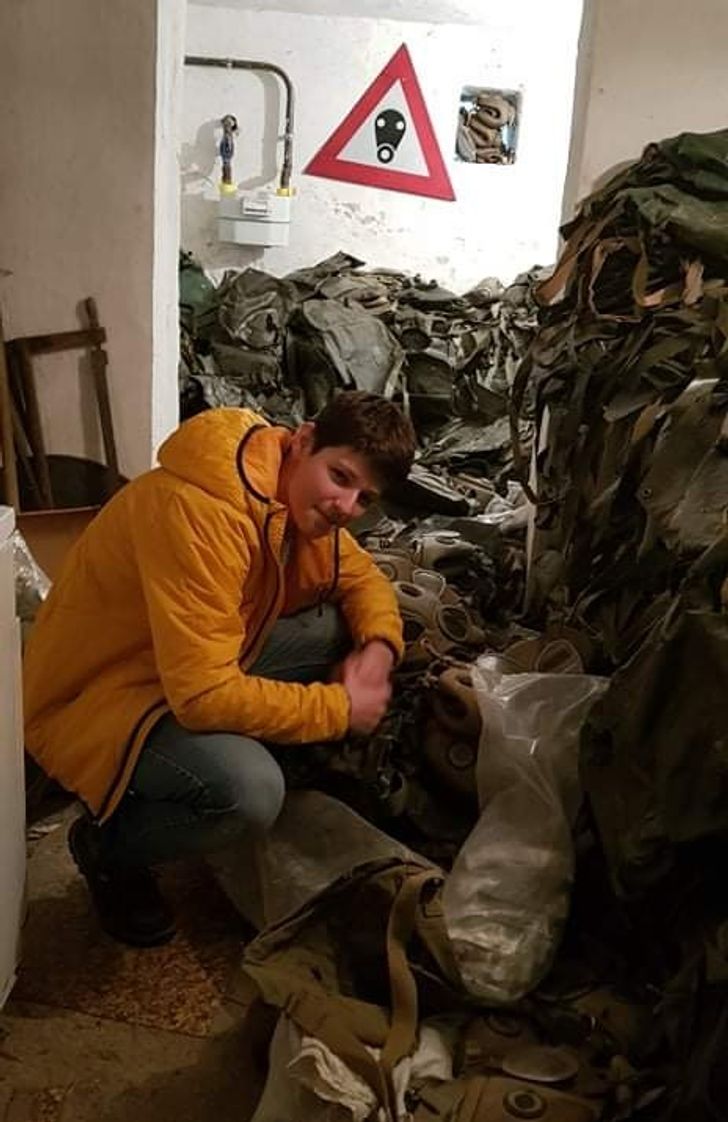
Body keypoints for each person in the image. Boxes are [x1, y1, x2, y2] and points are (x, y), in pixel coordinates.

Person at [23, 391, 416, 947]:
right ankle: (108, 847)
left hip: (184, 663)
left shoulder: (286, 491)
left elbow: (362, 579)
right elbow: (202, 696)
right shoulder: (202, 510)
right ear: (303, 440)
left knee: (336, 630)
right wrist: (338, 710)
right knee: (249, 793)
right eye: (340, 476)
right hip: (103, 693)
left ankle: (234, 753)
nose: (345, 506)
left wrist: (378, 649)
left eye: (364, 498)